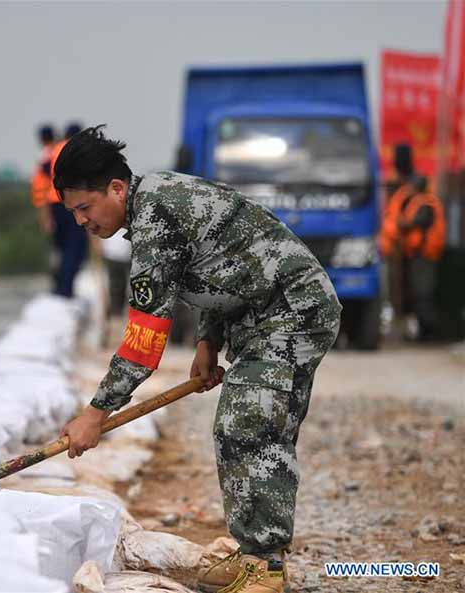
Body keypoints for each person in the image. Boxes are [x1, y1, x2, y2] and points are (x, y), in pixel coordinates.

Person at [54, 126, 341, 593]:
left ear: (116, 188)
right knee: (245, 425)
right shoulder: (155, 202)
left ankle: (264, 568)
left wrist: (94, 413)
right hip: (259, 314)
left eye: (85, 208)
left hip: (293, 311)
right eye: (73, 213)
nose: (81, 222)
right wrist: (208, 342)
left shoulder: (156, 218)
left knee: (247, 425)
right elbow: (219, 265)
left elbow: (144, 339)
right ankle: (255, 558)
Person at [378, 144, 446, 341]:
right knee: (410, 294)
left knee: (422, 294)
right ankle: (418, 331)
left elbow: (419, 221)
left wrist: (403, 225)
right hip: (409, 252)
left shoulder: (424, 201)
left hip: (422, 254)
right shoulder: (410, 196)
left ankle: (429, 333)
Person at [30, 122, 89, 298]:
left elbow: (40, 185)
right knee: (75, 249)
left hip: (55, 206)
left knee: (62, 250)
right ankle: (65, 289)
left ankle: (62, 287)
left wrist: (44, 214)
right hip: (71, 205)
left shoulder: (51, 153)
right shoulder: (76, 153)